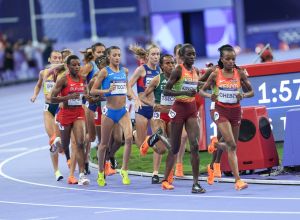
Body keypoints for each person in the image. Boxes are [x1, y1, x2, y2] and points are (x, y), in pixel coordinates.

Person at [199, 44, 254, 190]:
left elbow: (251, 92)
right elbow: (202, 91)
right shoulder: (215, 74)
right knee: (232, 144)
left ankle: (215, 144)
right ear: (222, 60)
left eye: (233, 59)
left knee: (233, 146)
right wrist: (210, 95)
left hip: (235, 111)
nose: (230, 61)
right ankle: (238, 181)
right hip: (220, 110)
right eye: (227, 59)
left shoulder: (240, 73)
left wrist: (243, 94)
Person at [162, 43, 205, 193]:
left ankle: (196, 183)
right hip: (179, 108)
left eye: (193, 54)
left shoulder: (195, 70)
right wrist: (184, 94)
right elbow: (167, 91)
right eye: (189, 54)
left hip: (191, 109)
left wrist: (204, 85)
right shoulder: (178, 70)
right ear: (181, 56)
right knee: (174, 147)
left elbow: (194, 86)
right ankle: (166, 179)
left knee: (194, 145)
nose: (192, 57)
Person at [90, 46, 134, 186]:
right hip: (109, 112)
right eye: (114, 55)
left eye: (119, 55)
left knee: (127, 138)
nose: (117, 57)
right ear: (109, 57)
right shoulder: (104, 72)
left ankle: (124, 170)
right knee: (103, 144)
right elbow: (92, 90)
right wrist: (107, 90)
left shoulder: (124, 71)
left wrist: (131, 95)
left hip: (123, 111)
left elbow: (127, 88)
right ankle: (101, 173)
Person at [50, 55, 90, 185]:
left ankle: (82, 175)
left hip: (78, 112)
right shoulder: (63, 80)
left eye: (78, 64)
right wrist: (67, 97)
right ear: (68, 66)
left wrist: (91, 98)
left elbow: (86, 95)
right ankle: (57, 143)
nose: (77, 67)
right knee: (64, 146)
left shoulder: (83, 79)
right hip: (65, 114)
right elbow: (52, 98)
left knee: (80, 143)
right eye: (74, 64)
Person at [128, 44, 163, 183]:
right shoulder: (141, 70)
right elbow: (128, 85)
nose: (156, 57)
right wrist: (135, 99)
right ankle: (136, 134)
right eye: (153, 54)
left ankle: (155, 173)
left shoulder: (161, 70)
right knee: (141, 145)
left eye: (158, 54)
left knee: (158, 143)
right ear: (147, 56)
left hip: (155, 109)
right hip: (142, 108)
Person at [139, 54, 175, 184]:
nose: (171, 65)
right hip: (158, 115)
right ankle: (151, 139)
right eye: (168, 63)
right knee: (164, 146)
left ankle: (169, 175)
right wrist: (153, 104)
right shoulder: (156, 79)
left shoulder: (178, 79)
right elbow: (142, 97)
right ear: (161, 66)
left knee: (169, 148)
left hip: (172, 115)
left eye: (172, 63)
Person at [30, 50, 64, 181]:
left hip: (61, 109)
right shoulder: (43, 73)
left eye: (59, 58)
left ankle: (63, 149)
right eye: (54, 58)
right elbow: (38, 86)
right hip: (48, 108)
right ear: (49, 59)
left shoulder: (65, 73)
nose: (57, 60)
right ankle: (57, 171)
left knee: (61, 140)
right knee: (53, 140)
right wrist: (34, 95)